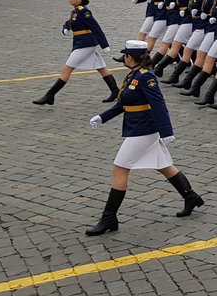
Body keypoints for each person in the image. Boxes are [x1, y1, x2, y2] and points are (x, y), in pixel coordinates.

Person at [85, 40, 204, 236]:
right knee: (163, 165)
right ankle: (191, 197)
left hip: (144, 130)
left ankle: (109, 218)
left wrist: (167, 132)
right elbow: (123, 104)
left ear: (130, 57)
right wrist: (102, 117)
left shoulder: (146, 77)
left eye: (125, 55)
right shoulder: (133, 75)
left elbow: (159, 105)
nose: (124, 57)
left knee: (119, 169)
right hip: (138, 128)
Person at [33, 0, 120, 106]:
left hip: (86, 44)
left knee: (67, 69)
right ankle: (115, 91)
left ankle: (50, 95)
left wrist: (105, 45)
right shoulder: (76, 11)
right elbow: (70, 21)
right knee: (101, 67)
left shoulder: (84, 12)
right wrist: (66, 27)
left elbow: (96, 28)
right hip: (81, 43)